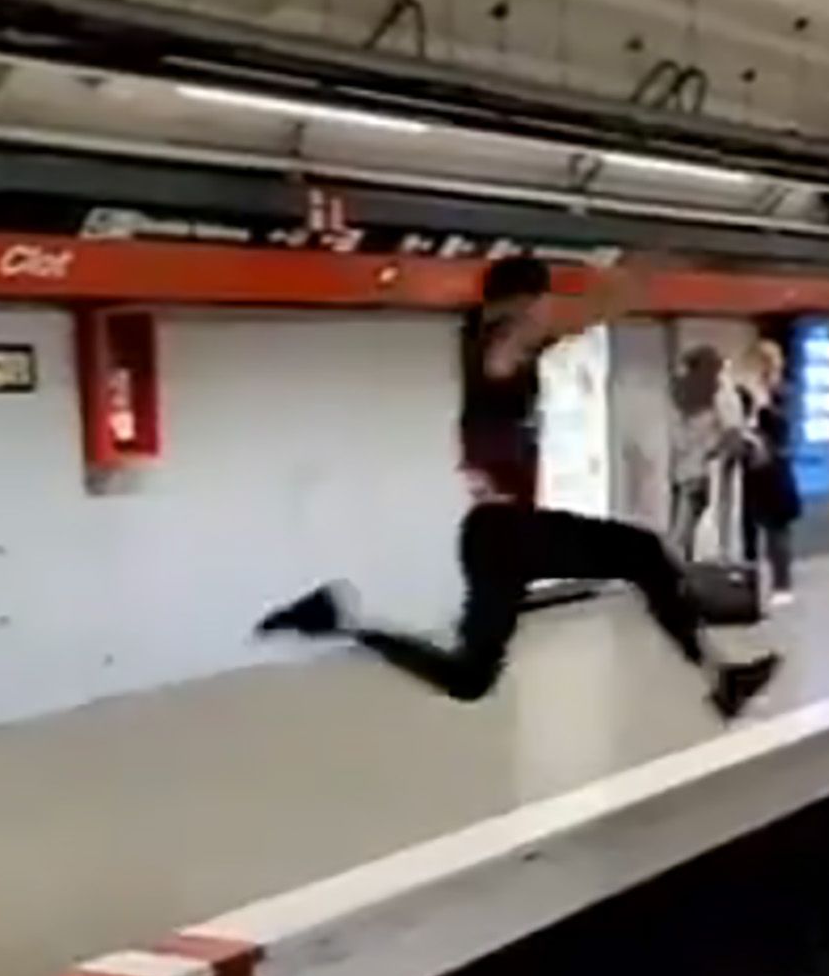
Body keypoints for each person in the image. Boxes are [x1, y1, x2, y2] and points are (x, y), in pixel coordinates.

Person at [256, 257, 779, 719]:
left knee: (469, 680)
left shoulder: (502, 348)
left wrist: (624, 289)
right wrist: (629, 277)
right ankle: (720, 677)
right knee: (641, 550)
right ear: (518, 302)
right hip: (506, 530)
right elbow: (550, 326)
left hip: (495, 539)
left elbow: (560, 326)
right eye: (539, 300)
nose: (546, 310)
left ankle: (336, 621)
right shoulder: (496, 347)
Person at [736, 339, 800, 608]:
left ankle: (782, 584)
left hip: (774, 468)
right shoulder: (745, 393)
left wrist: (761, 410)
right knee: (748, 527)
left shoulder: (781, 394)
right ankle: (749, 583)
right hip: (752, 468)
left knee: (777, 529)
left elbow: (781, 429)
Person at [666, 345, 742, 561]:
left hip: (691, 471)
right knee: (690, 531)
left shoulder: (689, 392)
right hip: (702, 471)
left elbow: (730, 434)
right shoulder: (717, 393)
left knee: (684, 530)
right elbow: (732, 432)